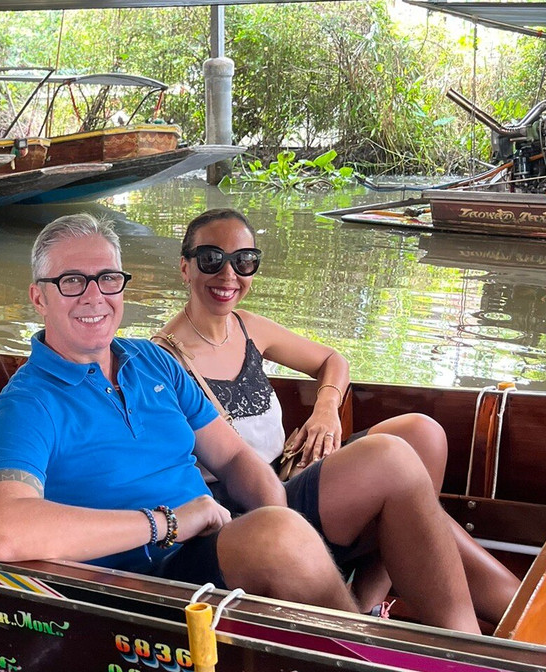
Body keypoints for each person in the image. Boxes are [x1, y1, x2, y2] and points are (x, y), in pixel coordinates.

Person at [0, 213, 482, 633]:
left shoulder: (152, 362)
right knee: (278, 537)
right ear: (39, 297)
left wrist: (279, 516)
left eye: (108, 278)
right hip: (150, 579)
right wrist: (168, 522)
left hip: (216, 539)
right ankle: (370, 668)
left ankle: (469, 653)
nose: (95, 296)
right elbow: (6, 531)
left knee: (392, 457)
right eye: (72, 281)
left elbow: (235, 456)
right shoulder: (24, 404)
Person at [156, 208, 519, 626]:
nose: (228, 274)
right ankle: (497, 624)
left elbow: (332, 360)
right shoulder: (163, 359)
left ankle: (367, 599)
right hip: (250, 509)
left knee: (423, 434)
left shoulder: (248, 327)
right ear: (185, 267)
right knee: (391, 461)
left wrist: (326, 410)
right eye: (211, 259)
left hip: (288, 472)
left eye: (244, 261)